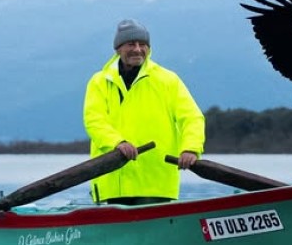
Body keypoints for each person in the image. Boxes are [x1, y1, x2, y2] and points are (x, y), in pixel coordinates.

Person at [83, 19, 205, 205]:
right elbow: (94, 120)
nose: (138, 49)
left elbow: (191, 117)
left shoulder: (168, 80)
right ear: (118, 49)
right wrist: (117, 143)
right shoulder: (99, 81)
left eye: (143, 44)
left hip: (155, 181)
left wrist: (191, 148)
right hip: (111, 180)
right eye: (131, 44)